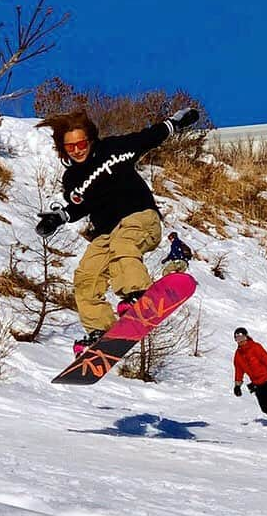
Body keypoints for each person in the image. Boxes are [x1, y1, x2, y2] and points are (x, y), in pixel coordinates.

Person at [34, 106, 199, 354]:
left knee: (123, 244)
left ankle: (138, 295)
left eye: (82, 143)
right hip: (105, 233)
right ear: (63, 149)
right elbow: (79, 206)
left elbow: (147, 138)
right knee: (86, 276)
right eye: (71, 147)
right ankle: (100, 330)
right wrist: (57, 218)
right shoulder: (71, 179)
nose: (78, 150)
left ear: (91, 139)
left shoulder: (114, 149)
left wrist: (175, 122)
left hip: (140, 218)